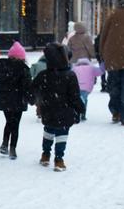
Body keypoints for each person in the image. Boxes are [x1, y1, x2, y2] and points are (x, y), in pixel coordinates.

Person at [32, 44, 85, 172]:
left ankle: (45, 154)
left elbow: (32, 89)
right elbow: (75, 96)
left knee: (48, 132)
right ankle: (59, 159)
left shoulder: (43, 75)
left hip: (48, 111)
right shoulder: (70, 75)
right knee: (62, 135)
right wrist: (80, 108)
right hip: (65, 112)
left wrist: (32, 99)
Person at [0, 41, 33, 160]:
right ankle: (12, 148)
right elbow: (27, 86)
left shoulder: (3, 66)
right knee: (15, 124)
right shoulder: (24, 69)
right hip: (19, 101)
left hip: (5, 100)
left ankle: (4, 143)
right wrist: (31, 98)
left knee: (9, 122)